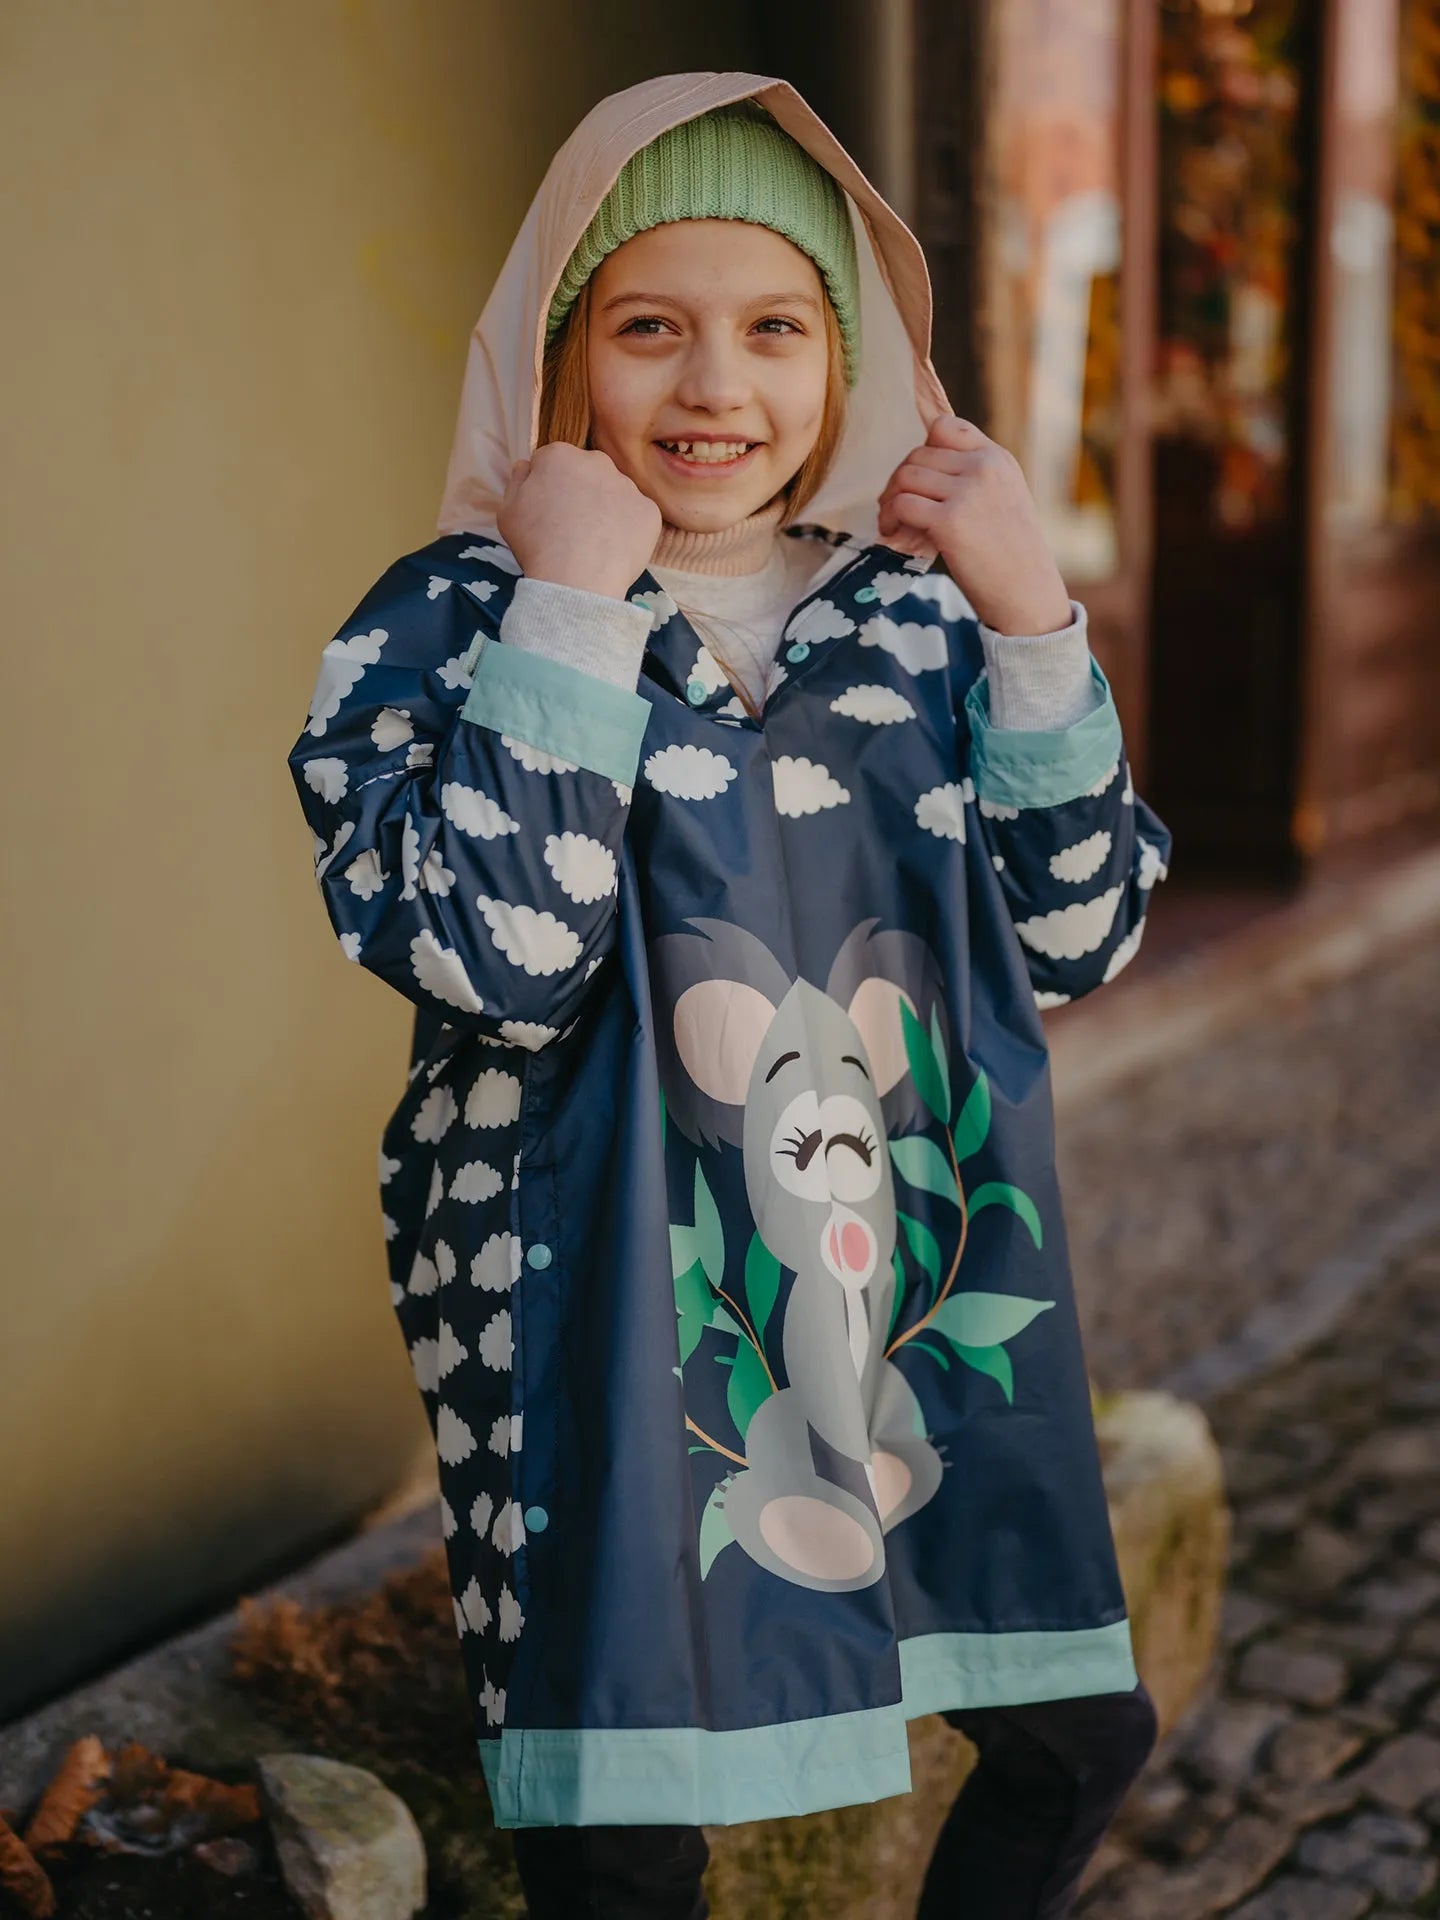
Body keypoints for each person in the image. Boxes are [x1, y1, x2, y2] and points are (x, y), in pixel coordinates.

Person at [289, 72, 1170, 1920]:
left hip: (901, 1284)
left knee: (1072, 1731)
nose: (715, 386)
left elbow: (1079, 933)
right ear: (559, 353)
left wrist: (1031, 610)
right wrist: (570, 610)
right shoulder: (440, 622)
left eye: (776, 328)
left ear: (848, 361)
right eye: (647, 328)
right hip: (588, 1294)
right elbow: (502, 962)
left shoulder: (921, 614)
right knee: (624, 1841)